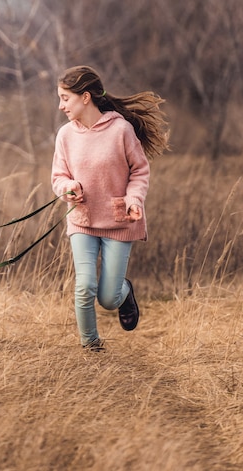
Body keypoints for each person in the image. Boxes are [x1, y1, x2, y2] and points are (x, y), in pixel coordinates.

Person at [51, 65, 169, 352]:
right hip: (82, 220)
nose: (61, 105)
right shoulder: (65, 135)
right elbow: (58, 177)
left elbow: (140, 172)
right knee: (84, 287)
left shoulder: (121, 130)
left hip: (118, 221)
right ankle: (91, 347)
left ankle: (124, 292)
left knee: (107, 298)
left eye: (65, 98)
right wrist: (68, 187)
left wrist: (134, 199)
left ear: (86, 97)